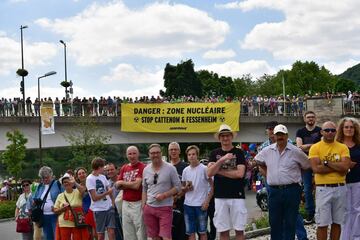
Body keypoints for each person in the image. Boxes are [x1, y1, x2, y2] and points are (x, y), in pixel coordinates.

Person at [255, 124, 310, 240]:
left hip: (292, 190)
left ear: (287, 136)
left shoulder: (296, 151)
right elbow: (257, 161)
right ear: (274, 136)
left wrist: (297, 176)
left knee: (290, 221)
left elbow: (307, 165)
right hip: (274, 191)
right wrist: (269, 172)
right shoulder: (266, 150)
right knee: (274, 222)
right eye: (278, 134)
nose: (280, 137)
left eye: (282, 134)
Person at [309, 121, 351, 240]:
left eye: (333, 130)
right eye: (327, 130)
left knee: (337, 222)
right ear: (322, 132)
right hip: (323, 189)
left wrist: (326, 163)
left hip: (340, 188)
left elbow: (345, 167)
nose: (330, 133)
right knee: (322, 223)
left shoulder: (343, 147)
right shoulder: (315, 147)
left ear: (336, 132)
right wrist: (338, 166)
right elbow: (316, 168)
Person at [207, 124, 247, 240]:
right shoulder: (214, 153)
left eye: (227, 136)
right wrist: (222, 160)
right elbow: (209, 173)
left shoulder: (238, 152)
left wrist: (218, 170)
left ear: (231, 137)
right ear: (219, 138)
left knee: (239, 230)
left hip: (237, 196)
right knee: (223, 231)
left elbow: (239, 174)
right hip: (220, 196)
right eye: (222, 136)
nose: (225, 138)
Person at [142, 143, 182, 240]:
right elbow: (144, 189)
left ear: (161, 153)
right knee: (154, 237)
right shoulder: (146, 169)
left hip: (165, 208)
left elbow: (178, 187)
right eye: (152, 153)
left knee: (166, 236)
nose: (155, 155)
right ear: (149, 154)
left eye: (157, 152)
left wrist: (164, 195)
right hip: (149, 208)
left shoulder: (170, 168)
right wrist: (144, 206)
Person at [336, 118, 360, 240]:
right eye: (346, 127)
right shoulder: (337, 145)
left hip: (357, 180)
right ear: (342, 129)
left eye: (351, 127)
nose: (349, 129)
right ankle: (344, 237)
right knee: (344, 211)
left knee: (357, 210)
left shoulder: (359, 144)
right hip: (341, 181)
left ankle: (356, 236)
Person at [182, 145, 213, 240]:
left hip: (201, 205)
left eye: (193, 154)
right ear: (187, 156)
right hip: (188, 205)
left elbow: (213, 186)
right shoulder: (185, 170)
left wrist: (207, 201)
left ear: (197, 155)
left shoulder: (204, 169)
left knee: (202, 232)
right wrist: (186, 188)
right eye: (189, 154)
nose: (191, 156)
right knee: (190, 233)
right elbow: (182, 188)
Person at [296, 111, 322, 224]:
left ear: (315, 118)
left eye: (312, 117)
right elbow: (299, 147)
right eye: (308, 117)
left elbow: (323, 146)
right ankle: (311, 214)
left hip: (318, 162)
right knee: (307, 189)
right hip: (305, 163)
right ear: (304, 118)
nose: (310, 119)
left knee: (320, 188)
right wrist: (315, 146)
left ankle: (320, 212)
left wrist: (307, 147)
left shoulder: (320, 130)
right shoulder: (300, 131)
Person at [116, 146, 147, 240]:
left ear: (138, 154)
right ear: (126, 155)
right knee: (128, 232)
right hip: (125, 203)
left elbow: (137, 186)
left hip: (138, 203)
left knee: (141, 232)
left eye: (134, 153)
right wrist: (129, 184)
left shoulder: (143, 167)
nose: (132, 156)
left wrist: (123, 183)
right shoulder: (124, 168)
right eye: (130, 154)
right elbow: (117, 185)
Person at [28, 166, 63, 240]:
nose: (45, 179)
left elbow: (64, 197)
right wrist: (34, 202)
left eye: (47, 177)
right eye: (43, 178)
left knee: (57, 237)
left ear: (51, 175)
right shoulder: (40, 186)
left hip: (56, 215)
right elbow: (35, 198)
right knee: (47, 237)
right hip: (44, 216)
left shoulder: (58, 184)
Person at [86, 157, 115, 240]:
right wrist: (106, 193)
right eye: (103, 167)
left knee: (111, 231)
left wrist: (112, 203)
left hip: (108, 207)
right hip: (98, 209)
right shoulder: (90, 179)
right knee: (100, 234)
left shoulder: (103, 177)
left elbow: (109, 190)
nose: (104, 169)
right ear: (99, 167)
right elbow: (94, 198)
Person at [53, 173, 89, 240]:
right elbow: (55, 210)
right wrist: (63, 209)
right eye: (64, 182)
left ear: (72, 183)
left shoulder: (78, 191)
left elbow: (83, 191)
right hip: (64, 223)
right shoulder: (60, 195)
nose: (66, 183)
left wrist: (75, 182)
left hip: (77, 222)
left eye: (68, 181)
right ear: (62, 185)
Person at [168, 142, 188, 240]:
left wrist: (176, 197)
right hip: (168, 204)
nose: (173, 151)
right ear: (168, 152)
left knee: (183, 233)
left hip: (183, 203)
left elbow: (188, 186)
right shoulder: (165, 167)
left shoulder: (185, 166)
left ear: (179, 151)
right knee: (170, 232)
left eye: (175, 149)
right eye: (171, 149)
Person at [74, 167, 97, 240]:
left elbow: (83, 190)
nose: (82, 175)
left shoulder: (91, 182)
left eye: (83, 173)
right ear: (77, 176)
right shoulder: (76, 187)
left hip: (93, 210)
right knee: (87, 234)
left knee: (95, 233)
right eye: (79, 174)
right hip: (83, 212)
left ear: (86, 174)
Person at [105, 163, 123, 240]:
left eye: (112, 169)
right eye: (108, 170)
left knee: (126, 231)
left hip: (123, 210)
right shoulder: (106, 183)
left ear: (117, 170)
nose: (110, 171)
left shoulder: (122, 180)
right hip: (112, 211)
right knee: (117, 233)